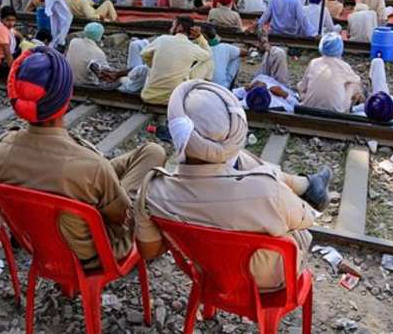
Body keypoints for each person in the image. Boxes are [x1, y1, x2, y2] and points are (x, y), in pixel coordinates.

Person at [134, 81, 331, 290]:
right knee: (261, 179)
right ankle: (305, 185)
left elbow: (149, 251)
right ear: (235, 132)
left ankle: (306, 184)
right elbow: (306, 219)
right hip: (268, 281)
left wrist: (190, 226)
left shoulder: (151, 192)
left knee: (246, 163)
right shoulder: (265, 192)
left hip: (207, 274)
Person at [0, 47, 167, 267]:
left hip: (41, 243)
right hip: (94, 252)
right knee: (153, 157)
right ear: (66, 99)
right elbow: (121, 217)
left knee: (151, 151)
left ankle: (103, 192)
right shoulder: (91, 166)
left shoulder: (0, 148)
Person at [139, 16, 214, 105]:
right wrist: (199, 37)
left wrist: (154, 66)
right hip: (174, 100)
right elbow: (209, 54)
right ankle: (205, 91)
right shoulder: (192, 47)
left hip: (148, 97)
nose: (171, 28)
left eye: (173, 25)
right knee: (209, 62)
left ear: (180, 27)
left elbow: (143, 54)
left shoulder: (162, 39)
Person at [298, 33, 363, 113]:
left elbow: (302, 87)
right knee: (354, 84)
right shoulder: (343, 65)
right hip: (336, 111)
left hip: (308, 108)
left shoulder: (314, 62)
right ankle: (348, 108)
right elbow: (357, 81)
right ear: (340, 48)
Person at [202, 24, 245, 89]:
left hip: (200, 85)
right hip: (221, 87)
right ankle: (230, 87)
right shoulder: (224, 47)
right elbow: (244, 52)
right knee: (237, 57)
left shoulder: (197, 47)